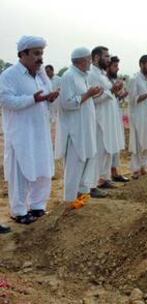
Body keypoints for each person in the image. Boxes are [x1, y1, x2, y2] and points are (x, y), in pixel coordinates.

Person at [0, 36, 59, 224]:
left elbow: (43, 97)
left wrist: (49, 98)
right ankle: (19, 211)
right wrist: (32, 99)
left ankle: (37, 206)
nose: (40, 57)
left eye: (41, 53)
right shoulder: (9, 75)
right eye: (35, 53)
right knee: (20, 171)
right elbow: (5, 100)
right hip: (20, 132)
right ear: (22, 54)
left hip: (40, 130)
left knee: (42, 167)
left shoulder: (41, 74)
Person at [55, 47, 102, 209]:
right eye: (89, 59)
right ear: (81, 61)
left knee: (87, 159)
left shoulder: (84, 76)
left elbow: (84, 98)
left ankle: (82, 196)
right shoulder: (69, 76)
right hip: (75, 130)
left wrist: (93, 93)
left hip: (86, 128)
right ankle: (69, 201)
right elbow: (66, 103)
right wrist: (88, 94)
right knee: (75, 165)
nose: (91, 62)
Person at [88, 46, 124, 195]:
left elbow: (108, 93)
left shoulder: (102, 74)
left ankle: (104, 179)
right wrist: (111, 91)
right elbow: (92, 98)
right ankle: (92, 184)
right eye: (106, 57)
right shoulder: (92, 74)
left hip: (110, 118)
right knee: (99, 152)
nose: (109, 59)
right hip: (99, 119)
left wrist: (114, 90)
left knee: (108, 150)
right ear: (96, 58)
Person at [106, 56, 129, 182]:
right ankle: (106, 175)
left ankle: (114, 172)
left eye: (117, 66)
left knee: (116, 145)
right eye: (114, 66)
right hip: (107, 117)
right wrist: (114, 90)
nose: (117, 68)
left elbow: (115, 98)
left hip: (116, 114)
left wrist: (121, 94)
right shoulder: (105, 80)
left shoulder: (114, 81)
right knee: (109, 146)